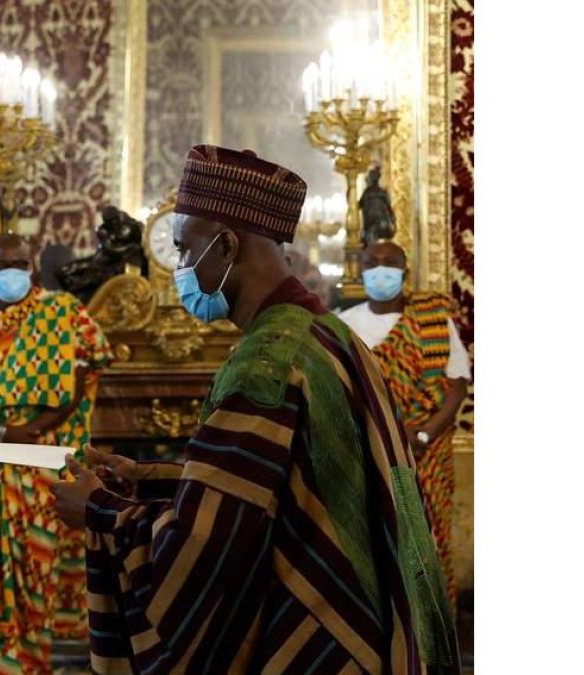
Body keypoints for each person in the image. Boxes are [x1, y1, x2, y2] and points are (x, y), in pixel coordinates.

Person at [51, 145, 459, 673]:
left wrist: (100, 511)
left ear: (224, 245)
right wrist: (147, 480)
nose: (180, 268)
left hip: (313, 639)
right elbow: (277, 486)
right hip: (365, 628)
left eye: (184, 249)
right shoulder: (330, 335)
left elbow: (210, 553)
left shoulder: (264, 363)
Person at [0, 234, 112, 673]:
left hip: (48, 459)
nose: (11, 272)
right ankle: (1, 659)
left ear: (34, 268)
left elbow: (78, 380)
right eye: (1, 265)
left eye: (20, 263)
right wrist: (5, 433)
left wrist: (35, 432)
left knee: (47, 554)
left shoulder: (64, 313)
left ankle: (48, 657)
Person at [338, 240, 472, 608]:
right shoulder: (343, 326)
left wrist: (424, 434)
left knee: (427, 539)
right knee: (376, 540)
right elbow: (343, 393)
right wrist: (389, 435)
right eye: (372, 263)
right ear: (361, 271)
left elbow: (457, 386)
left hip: (427, 452)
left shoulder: (433, 321)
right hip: (371, 450)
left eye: (389, 263)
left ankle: (431, 630)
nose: (380, 271)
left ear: (404, 271)